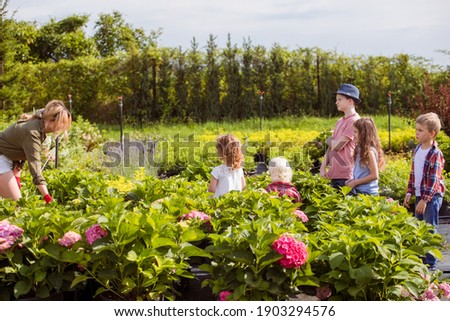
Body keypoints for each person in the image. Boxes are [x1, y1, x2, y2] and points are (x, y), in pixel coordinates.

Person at [0, 100, 72, 203]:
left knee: (13, 205)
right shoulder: (33, 132)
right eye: (60, 123)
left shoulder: (38, 125)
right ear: (51, 120)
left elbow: (20, 150)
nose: (60, 128)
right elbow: (35, 166)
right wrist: (47, 197)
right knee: (15, 206)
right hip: (1, 159)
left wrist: (17, 174)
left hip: (7, 159)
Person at [403, 112, 445, 271]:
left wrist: (425, 200)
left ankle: (430, 266)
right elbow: (413, 174)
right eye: (416, 129)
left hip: (432, 197)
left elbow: (434, 180)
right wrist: (409, 192)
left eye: (420, 130)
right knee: (418, 230)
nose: (416, 133)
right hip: (421, 195)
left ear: (431, 133)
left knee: (429, 230)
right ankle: (420, 264)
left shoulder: (435, 153)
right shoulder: (418, 149)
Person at [320, 84, 361, 189]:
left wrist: (328, 139)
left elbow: (338, 145)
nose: (336, 102)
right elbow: (331, 147)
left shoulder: (354, 121)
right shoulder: (339, 121)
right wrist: (323, 167)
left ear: (350, 101)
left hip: (346, 174)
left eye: (339, 99)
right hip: (334, 173)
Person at [345, 118, 385, 195]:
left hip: (368, 193)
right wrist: (352, 180)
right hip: (360, 191)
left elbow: (374, 175)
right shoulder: (360, 149)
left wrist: (355, 182)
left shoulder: (369, 152)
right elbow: (363, 173)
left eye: (355, 132)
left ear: (363, 134)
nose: (353, 134)